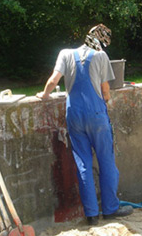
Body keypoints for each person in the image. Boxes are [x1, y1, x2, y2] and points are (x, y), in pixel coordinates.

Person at [36, 24, 133, 225]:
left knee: (83, 164)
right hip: (96, 115)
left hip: (74, 116)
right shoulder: (101, 56)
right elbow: (106, 92)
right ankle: (110, 209)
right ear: (101, 41)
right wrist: (104, 102)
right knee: (107, 162)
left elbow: (53, 80)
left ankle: (90, 215)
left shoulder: (65, 54)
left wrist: (44, 95)